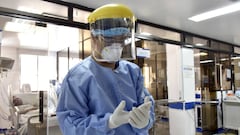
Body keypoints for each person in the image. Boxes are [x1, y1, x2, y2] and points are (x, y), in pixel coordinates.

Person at [56, 3, 155, 135]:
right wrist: (109, 123)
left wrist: (145, 121)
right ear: (93, 38)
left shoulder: (133, 71)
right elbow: (71, 126)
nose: (116, 45)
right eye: (109, 40)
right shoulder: (77, 77)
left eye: (121, 40)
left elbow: (147, 108)